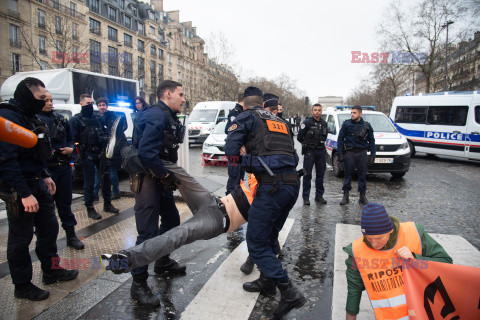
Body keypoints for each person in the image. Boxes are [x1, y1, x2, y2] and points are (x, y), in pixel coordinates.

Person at [224, 86, 306, 318]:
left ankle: (289, 292)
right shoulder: (280, 122)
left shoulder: (246, 117)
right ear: (262, 103)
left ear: (243, 103)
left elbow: (230, 151)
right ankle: (267, 282)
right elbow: (293, 155)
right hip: (291, 186)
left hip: (271, 188)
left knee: (257, 242)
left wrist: (245, 155)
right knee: (270, 236)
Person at [101, 162, 268, 273]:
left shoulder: (272, 196)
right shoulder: (259, 171)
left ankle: (124, 260)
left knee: (176, 235)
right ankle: (134, 157)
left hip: (216, 222)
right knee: (177, 171)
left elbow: (263, 232)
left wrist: (254, 259)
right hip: (211, 202)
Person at [0, 78, 78, 301]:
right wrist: (24, 194)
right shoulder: (8, 117)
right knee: (20, 239)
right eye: (41, 98)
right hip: (20, 187)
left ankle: (51, 271)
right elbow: (7, 161)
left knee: (49, 229)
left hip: (38, 180)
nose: (45, 102)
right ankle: (22, 285)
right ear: (27, 95)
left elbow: (36, 151)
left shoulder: (29, 116)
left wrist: (45, 175)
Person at [129, 80, 187, 307]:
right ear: (168, 93)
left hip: (159, 179)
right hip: (148, 180)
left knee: (172, 219)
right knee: (147, 232)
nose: (183, 99)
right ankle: (139, 284)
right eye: (180, 95)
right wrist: (164, 175)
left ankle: (162, 262)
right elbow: (146, 152)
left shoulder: (168, 115)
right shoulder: (156, 115)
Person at [344, 203, 453, 320]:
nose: (374, 244)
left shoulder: (414, 234)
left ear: (391, 230)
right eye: (368, 238)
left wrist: (415, 259)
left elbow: (446, 263)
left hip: (425, 314)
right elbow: (354, 290)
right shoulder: (356, 252)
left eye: (379, 238)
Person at [37, 92, 84, 250]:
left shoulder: (60, 118)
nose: (49, 103)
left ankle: (71, 235)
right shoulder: (33, 119)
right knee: (45, 209)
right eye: (46, 100)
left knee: (65, 204)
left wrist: (71, 148)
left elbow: (71, 138)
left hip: (62, 167)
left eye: (51, 100)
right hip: (45, 170)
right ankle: (46, 241)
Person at [69, 94, 119, 220]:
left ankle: (107, 204)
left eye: (92, 103)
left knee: (106, 179)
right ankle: (90, 208)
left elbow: (105, 133)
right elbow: (71, 139)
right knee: (89, 183)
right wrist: (76, 156)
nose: (90, 106)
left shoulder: (97, 118)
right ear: (81, 104)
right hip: (87, 155)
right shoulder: (76, 120)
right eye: (88, 103)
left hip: (100, 153)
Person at [337, 106, 375, 206]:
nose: (352, 114)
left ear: (360, 114)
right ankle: (346, 195)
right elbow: (340, 139)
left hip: (362, 153)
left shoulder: (367, 125)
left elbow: (372, 141)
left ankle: (362, 196)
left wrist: (372, 154)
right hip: (349, 152)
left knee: (362, 175)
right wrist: (340, 153)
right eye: (351, 113)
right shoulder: (346, 124)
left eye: (354, 113)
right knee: (347, 175)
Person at [93, 97, 127, 201]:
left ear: (107, 106)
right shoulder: (97, 117)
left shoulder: (113, 116)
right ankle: (95, 194)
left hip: (110, 147)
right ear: (97, 106)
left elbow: (119, 130)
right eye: (100, 105)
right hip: (100, 148)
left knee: (111, 170)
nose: (102, 107)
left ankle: (115, 192)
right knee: (97, 171)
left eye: (104, 105)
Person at [297, 103, 328, 206]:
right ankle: (306, 197)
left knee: (320, 175)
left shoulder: (324, 123)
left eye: (319, 110)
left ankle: (319, 196)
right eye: (315, 110)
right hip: (310, 152)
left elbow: (325, 136)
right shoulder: (307, 122)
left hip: (320, 152)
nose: (317, 112)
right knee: (307, 175)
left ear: (321, 111)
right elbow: (299, 137)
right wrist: (306, 144)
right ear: (312, 111)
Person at [225, 93, 245, 196]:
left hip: (240, 153)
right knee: (234, 177)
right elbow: (229, 129)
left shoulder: (243, 112)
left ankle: (237, 202)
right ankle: (229, 204)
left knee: (240, 177)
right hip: (234, 151)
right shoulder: (235, 112)